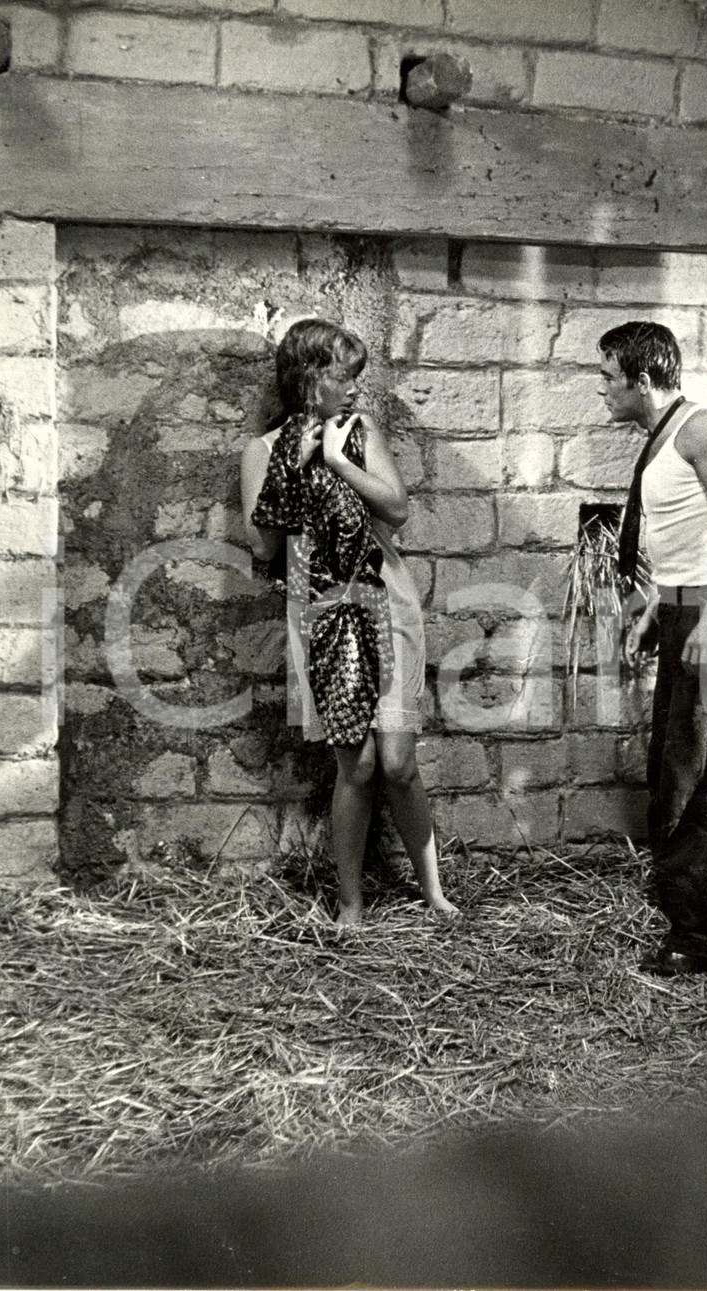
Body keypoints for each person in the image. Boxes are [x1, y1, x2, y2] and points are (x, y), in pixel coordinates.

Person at [241, 318, 457, 926]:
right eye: (345, 374)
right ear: (309, 378)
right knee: (356, 766)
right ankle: (351, 901)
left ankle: (434, 890)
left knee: (398, 763)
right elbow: (262, 546)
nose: (357, 388)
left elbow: (397, 509)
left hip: (385, 603)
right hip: (322, 615)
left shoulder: (360, 435)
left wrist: (336, 460)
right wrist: (291, 463)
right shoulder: (260, 451)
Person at [598, 321, 707, 976]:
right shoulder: (661, 437)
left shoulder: (705, 430)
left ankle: (702, 941)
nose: (600, 390)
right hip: (683, 614)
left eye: (607, 377)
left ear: (642, 380)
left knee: (697, 778)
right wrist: (659, 616)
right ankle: (688, 917)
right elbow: (682, 537)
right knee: (672, 770)